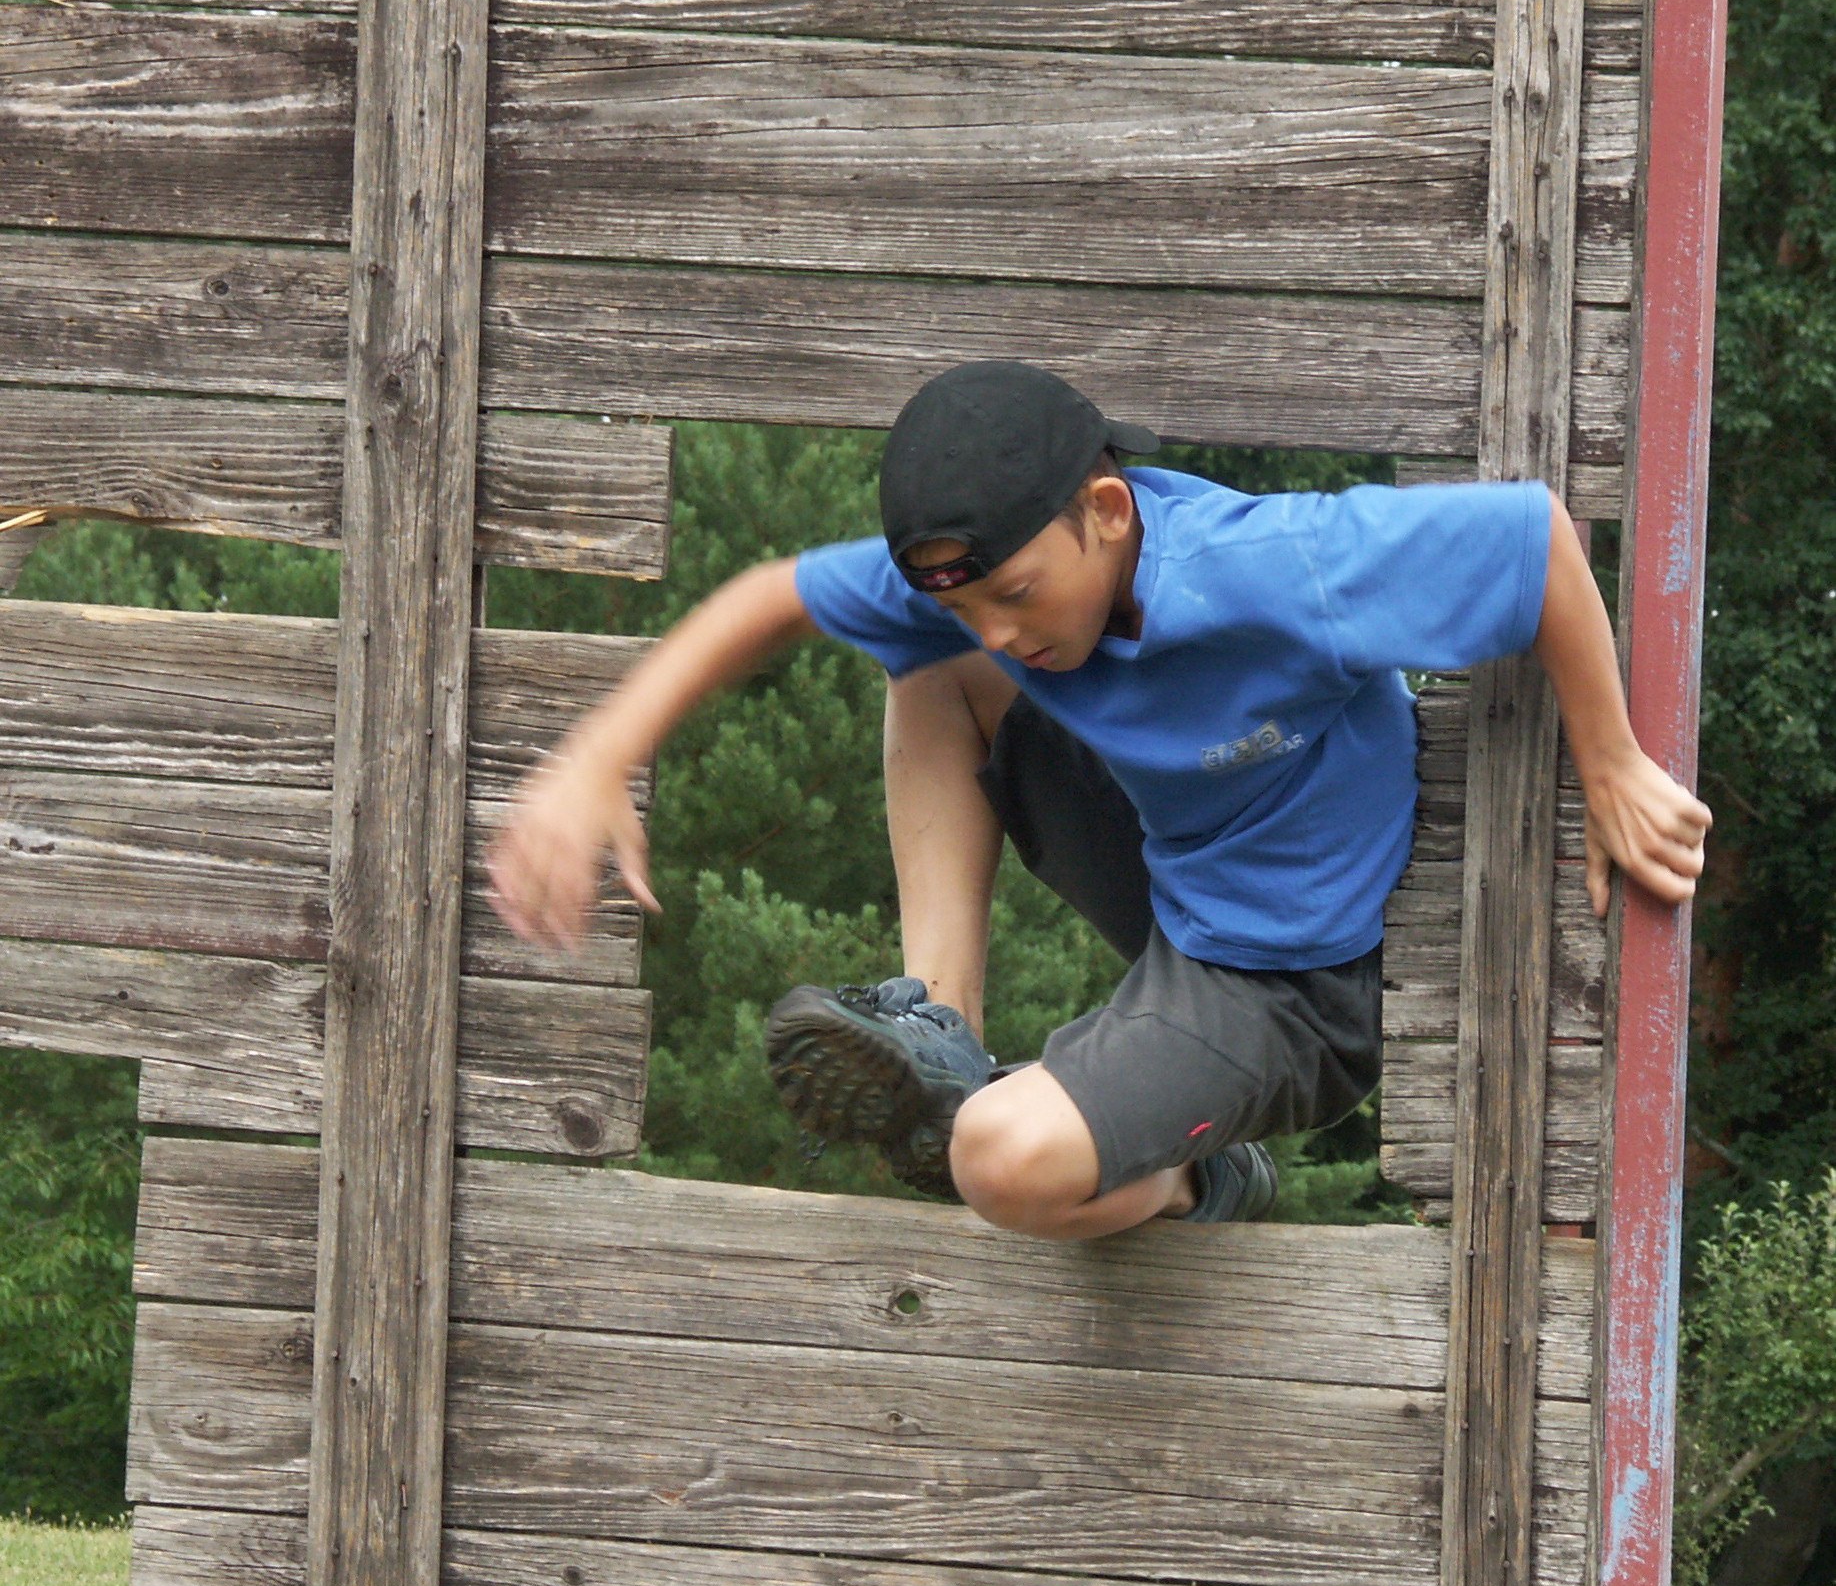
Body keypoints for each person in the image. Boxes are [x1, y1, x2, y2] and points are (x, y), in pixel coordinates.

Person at [486, 360, 1710, 1239]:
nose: (1000, 629)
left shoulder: (1277, 571)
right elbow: (769, 597)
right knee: (932, 667)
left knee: (995, 1164)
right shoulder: (1004, 595)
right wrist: (598, 757)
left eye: (1017, 594)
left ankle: (1197, 1180)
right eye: (974, 603)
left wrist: (1609, 760)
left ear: (1109, 512)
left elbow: (1531, 540)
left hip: (1296, 988)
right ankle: (940, 1023)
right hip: (1178, 869)